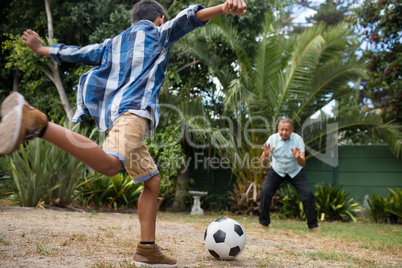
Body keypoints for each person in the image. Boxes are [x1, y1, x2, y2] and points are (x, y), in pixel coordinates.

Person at [0, 0, 247, 267]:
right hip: (134, 115)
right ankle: (38, 124)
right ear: (160, 19)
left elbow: (79, 52)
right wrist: (222, 8)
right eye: (164, 20)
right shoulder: (158, 33)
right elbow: (189, 18)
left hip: (118, 117)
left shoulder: (113, 43)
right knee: (110, 165)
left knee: (151, 182)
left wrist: (42, 49)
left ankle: (147, 250)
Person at [259, 118, 321, 231]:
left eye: (287, 130)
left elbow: (303, 163)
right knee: (265, 192)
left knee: (308, 194)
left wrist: (298, 157)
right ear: (278, 129)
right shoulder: (272, 139)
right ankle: (263, 222)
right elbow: (262, 162)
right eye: (281, 130)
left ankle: (313, 225)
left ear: (292, 130)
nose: (284, 132)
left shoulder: (298, 139)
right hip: (277, 170)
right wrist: (266, 155)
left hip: (295, 170)